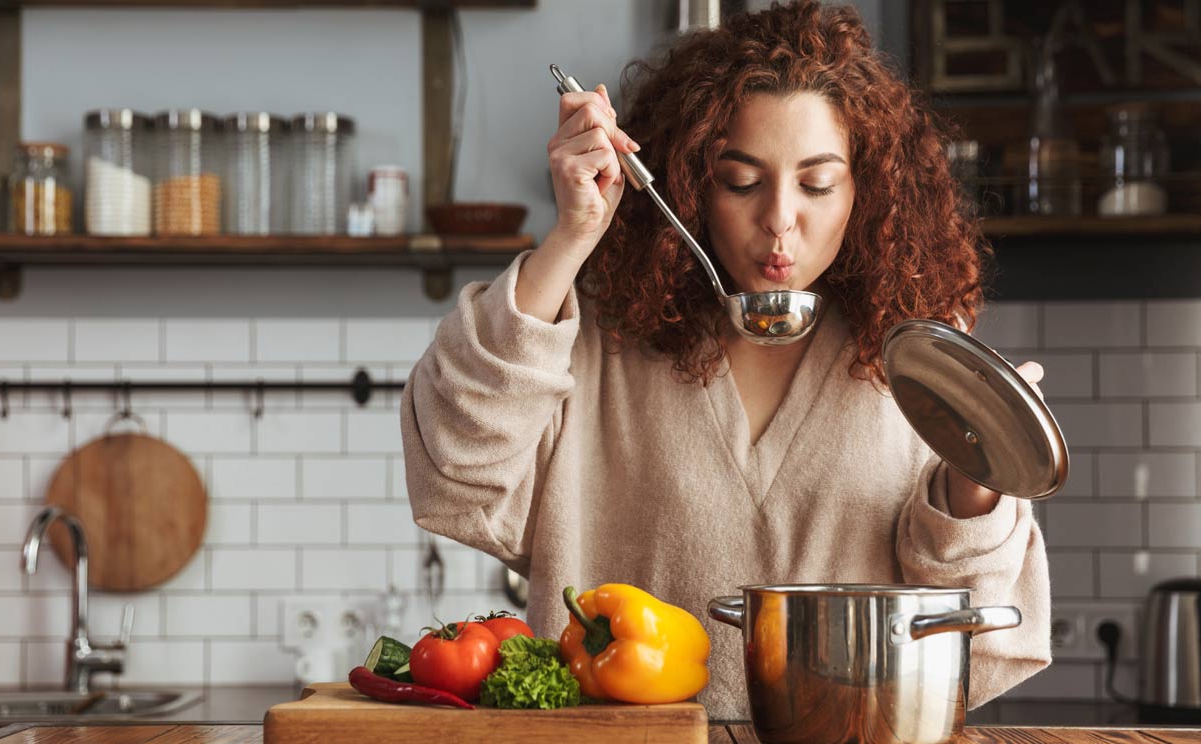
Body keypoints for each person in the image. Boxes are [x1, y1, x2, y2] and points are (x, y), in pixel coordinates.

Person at [400, 0, 1050, 719]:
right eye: (741, 181)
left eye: (817, 183)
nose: (779, 217)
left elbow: (977, 624)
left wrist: (977, 478)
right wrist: (573, 236)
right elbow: (456, 472)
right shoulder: (592, 342)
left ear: (866, 193)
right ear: (689, 185)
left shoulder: (922, 361)